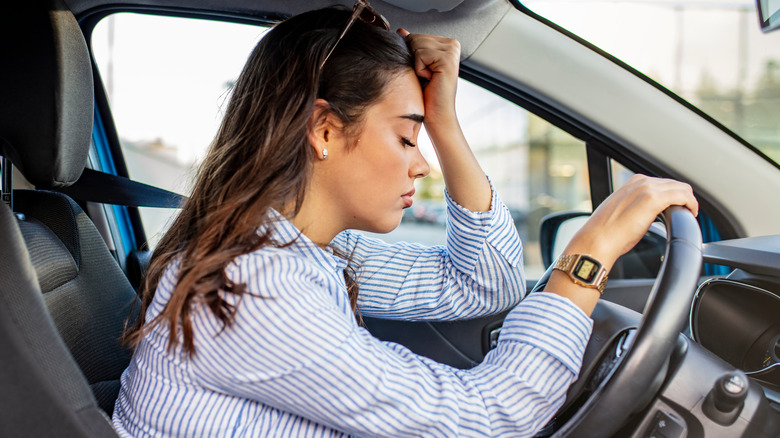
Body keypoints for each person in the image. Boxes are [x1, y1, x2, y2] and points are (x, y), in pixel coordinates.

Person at [112, 2, 698, 437]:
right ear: (323, 130)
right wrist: (587, 255)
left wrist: (442, 118)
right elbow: (489, 419)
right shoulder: (252, 287)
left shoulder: (303, 250)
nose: (422, 165)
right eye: (406, 136)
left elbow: (481, 284)